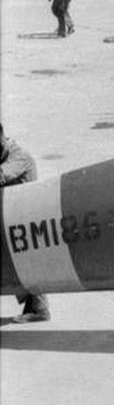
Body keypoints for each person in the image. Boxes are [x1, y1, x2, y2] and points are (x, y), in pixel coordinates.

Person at [1, 124, 50, 322]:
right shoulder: (5, 153)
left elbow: (3, 174)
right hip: (14, 218)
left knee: (29, 264)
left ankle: (40, 310)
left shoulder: (19, 155)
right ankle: (34, 308)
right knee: (21, 265)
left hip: (27, 217)